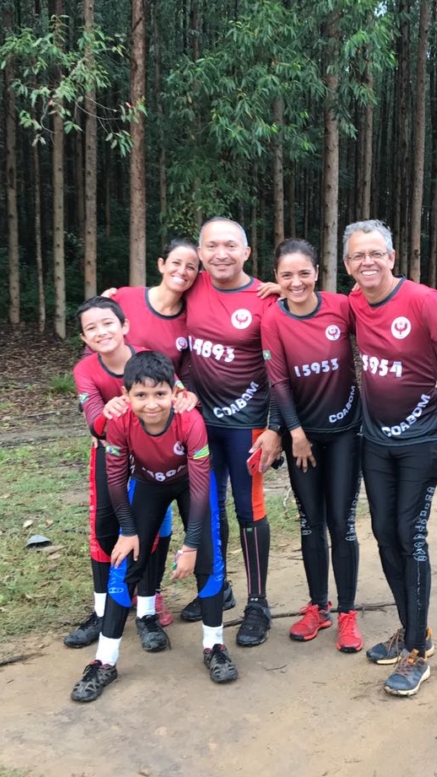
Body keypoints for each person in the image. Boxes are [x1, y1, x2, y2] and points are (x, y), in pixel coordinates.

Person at [70, 351, 235, 702]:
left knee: (209, 561)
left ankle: (214, 646)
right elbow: (116, 480)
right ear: (126, 395)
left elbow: (201, 489)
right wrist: (128, 531)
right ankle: (104, 661)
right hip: (146, 485)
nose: (151, 404)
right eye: (141, 395)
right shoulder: (120, 421)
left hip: (190, 485)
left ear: (173, 393)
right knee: (123, 567)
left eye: (160, 394)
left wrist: (191, 546)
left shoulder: (190, 420)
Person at [344, 219, 437, 697]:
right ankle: (415, 629)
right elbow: (308, 307)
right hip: (375, 441)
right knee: (384, 533)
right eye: (357, 255)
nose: (367, 261)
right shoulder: (353, 301)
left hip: (422, 441)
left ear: (392, 257)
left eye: (376, 253)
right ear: (348, 265)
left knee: (410, 535)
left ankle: (416, 652)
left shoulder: (423, 300)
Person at [66, 297, 197, 653]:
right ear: (84, 338)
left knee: (150, 529)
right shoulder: (85, 370)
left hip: (153, 456)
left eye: (108, 323)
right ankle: (101, 611)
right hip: (109, 451)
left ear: (124, 326)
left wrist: (188, 398)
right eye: (91, 328)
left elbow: (180, 398)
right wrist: (107, 413)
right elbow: (95, 425)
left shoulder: (148, 359)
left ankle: (148, 610)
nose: (101, 332)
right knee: (103, 526)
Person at [103, 238, 217, 626]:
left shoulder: (192, 315)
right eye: (176, 263)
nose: (183, 272)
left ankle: (151, 599)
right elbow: (98, 341)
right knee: (125, 517)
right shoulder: (125, 299)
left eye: (191, 267)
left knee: (163, 518)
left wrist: (189, 394)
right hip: (122, 419)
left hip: (168, 426)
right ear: (160, 263)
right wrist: (101, 409)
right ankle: (110, 605)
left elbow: (188, 369)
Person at [183, 217, 283, 647]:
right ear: (200, 253)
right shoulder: (190, 286)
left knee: (248, 507)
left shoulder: (266, 299)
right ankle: (218, 587)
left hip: (248, 423)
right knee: (207, 507)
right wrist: (114, 298)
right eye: (211, 246)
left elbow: (283, 370)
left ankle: (258, 604)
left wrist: (276, 429)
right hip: (201, 423)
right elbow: (145, 303)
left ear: (246, 252)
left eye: (230, 246)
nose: (220, 254)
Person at [260, 239, 364, 653]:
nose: (296, 282)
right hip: (302, 436)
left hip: (346, 432)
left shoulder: (341, 306)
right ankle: (318, 606)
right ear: (276, 277)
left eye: (304, 273)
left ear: (318, 272)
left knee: (342, 523)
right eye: (286, 275)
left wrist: (432, 369)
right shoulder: (273, 317)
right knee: (310, 522)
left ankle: (348, 613)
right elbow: (279, 381)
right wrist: (296, 434)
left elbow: (381, 331)